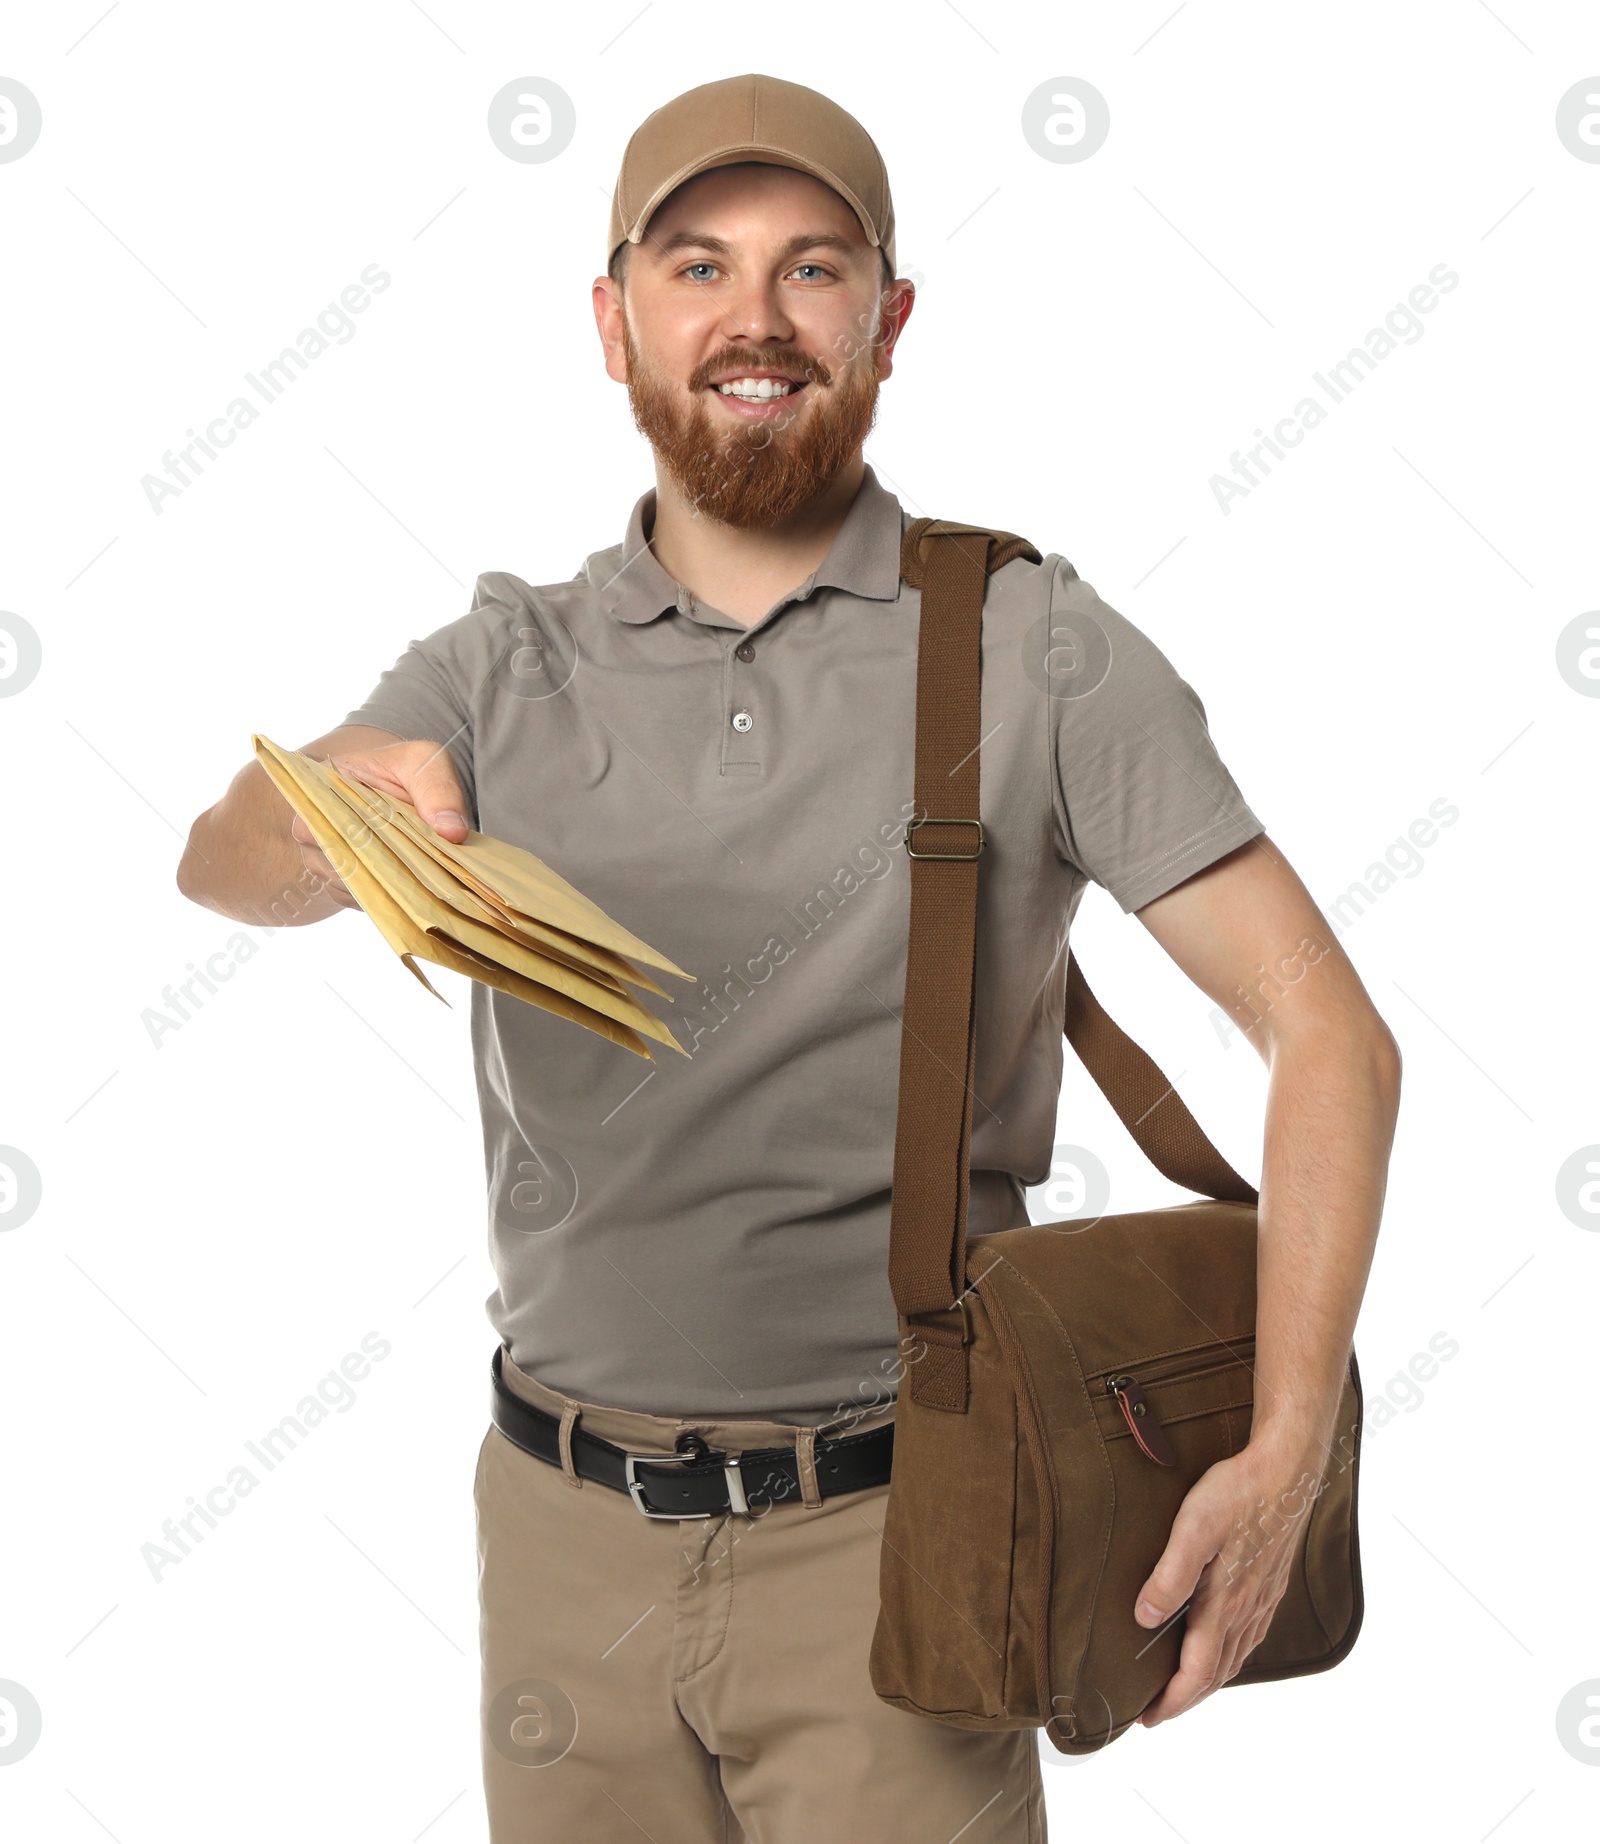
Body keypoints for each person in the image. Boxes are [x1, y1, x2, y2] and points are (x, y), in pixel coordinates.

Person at [177, 72, 1401, 1844]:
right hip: (556, 1533)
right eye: (696, 267)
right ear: (614, 326)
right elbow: (222, 864)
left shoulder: (1032, 645)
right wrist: (325, 819)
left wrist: (1288, 1452)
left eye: (813, 271)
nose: (753, 319)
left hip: (902, 1538)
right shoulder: (501, 661)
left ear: (890, 323)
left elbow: (1330, 1039)